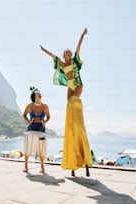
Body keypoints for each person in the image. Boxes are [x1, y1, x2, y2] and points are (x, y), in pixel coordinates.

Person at [40, 28, 92, 177]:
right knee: (69, 107)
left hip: (78, 84)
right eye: (66, 52)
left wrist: (82, 35)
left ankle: (78, 128)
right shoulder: (62, 65)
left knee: (74, 102)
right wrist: (44, 51)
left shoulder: (75, 62)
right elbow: (53, 57)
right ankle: (73, 160)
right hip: (69, 87)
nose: (69, 53)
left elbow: (78, 47)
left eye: (69, 52)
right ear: (64, 55)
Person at [22, 86, 50, 173]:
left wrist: (45, 121)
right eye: (38, 94)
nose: (40, 94)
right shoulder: (29, 106)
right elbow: (24, 115)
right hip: (31, 127)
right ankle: (26, 166)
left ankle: (42, 167)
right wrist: (28, 121)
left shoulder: (45, 106)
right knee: (28, 146)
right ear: (34, 96)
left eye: (40, 93)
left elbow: (49, 116)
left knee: (42, 147)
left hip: (41, 128)